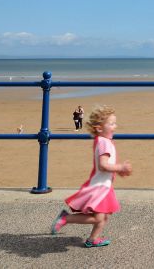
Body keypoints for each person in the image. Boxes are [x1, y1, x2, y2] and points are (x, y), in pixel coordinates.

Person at [51, 105, 132, 248]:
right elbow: (103, 165)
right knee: (98, 217)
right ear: (99, 128)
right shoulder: (104, 143)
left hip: (104, 186)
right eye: (111, 124)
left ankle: (93, 239)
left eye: (115, 123)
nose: (115, 126)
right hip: (99, 187)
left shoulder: (102, 141)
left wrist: (118, 171)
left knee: (104, 216)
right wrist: (120, 167)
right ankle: (66, 218)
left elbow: (106, 166)